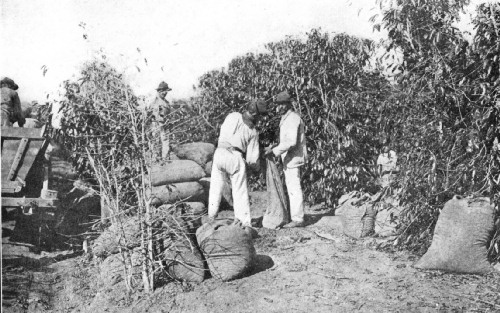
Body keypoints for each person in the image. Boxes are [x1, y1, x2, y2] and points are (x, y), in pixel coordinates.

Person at [208, 99, 267, 227]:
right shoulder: (253, 131)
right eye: (260, 117)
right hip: (235, 156)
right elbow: (252, 159)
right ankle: (244, 222)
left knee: (215, 187)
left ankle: (211, 217)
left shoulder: (232, 116)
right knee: (240, 190)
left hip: (219, 152)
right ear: (256, 115)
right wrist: (256, 168)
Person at [264, 91, 307, 228]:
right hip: (288, 158)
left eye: (283, 104)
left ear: (289, 104)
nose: (280, 107)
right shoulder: (286, 118)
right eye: (278, 105)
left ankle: (298, 219)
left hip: (294, 158)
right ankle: (294, 216)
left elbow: (291, 141)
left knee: (294, 187)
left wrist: (274, 151)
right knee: (291, 186)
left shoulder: (293, 118)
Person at [151, 81, 172, 158]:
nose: (165, 93)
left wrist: (168, 121)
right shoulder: (155, 102)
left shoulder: (167, 102)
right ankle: (156, 159)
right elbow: (154, 115)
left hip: (165, 125)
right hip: (157, 125)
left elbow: (169, 114)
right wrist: (160, 121)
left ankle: (165, 159)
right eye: (163, 91)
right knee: (156, 142)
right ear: (159, 91)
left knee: (166, 142)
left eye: (166, 91)